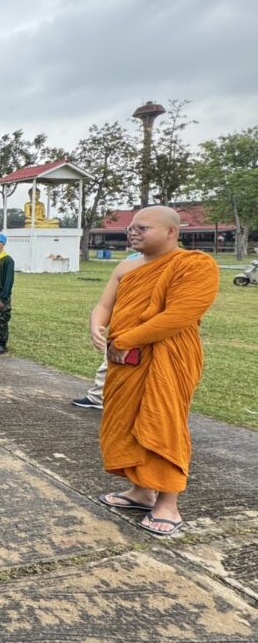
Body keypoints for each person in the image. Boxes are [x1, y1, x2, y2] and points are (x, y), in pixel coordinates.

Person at [94, 207, 220, 536]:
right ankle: (141, 491)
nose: (133, 232)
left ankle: (168, 503)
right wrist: (97, 325)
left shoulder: (194, 265)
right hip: (126, 361)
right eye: (131, 228)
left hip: (168, 357)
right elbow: (105, 304)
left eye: (143, 228)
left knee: (163, 423)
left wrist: (126, 339)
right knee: (127, 422)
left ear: (171, 232)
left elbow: (180, 315)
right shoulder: (126, 266)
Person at [73, 250, 143, 410]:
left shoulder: (173, 264)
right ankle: (98, 396)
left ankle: (102, 397)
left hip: (144, 329)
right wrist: (98, 324)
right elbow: (107, 303)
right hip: (123, 325)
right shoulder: (131, 261)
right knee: (111, 362)